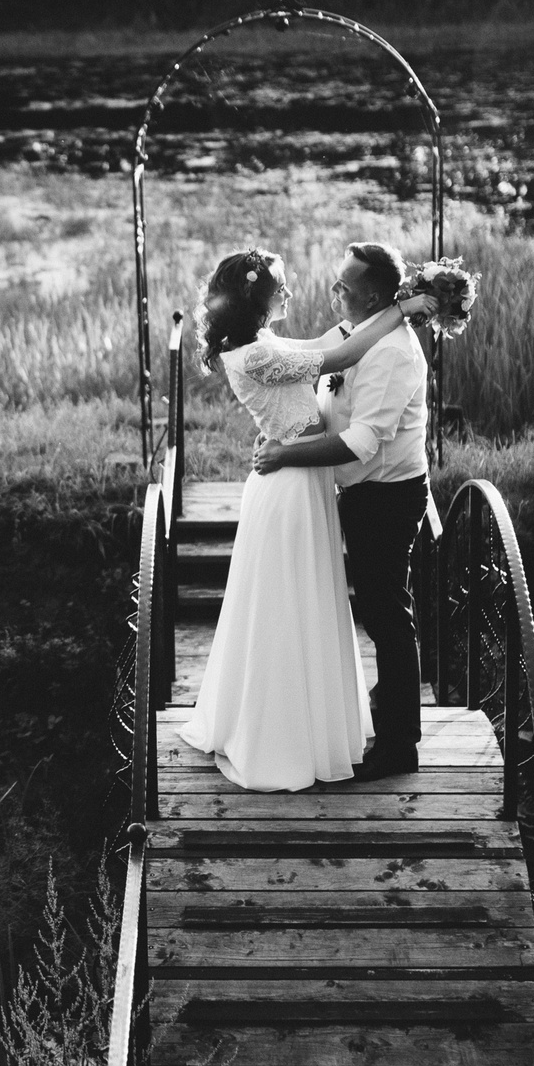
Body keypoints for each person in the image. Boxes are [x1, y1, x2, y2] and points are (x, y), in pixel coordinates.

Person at [178, 249, 434, 792]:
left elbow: (333, 351)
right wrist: (403, 308)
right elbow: (337, 357)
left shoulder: (264, 345)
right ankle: (284, 733)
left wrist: (402, 309)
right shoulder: (257, 355)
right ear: (257, 298)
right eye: (283, 288)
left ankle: (373, 734)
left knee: (333, 603)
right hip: (293, 488)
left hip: (327, 484)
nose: (297, 294)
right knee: (290, 603)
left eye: (343, 287)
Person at [254, 240, 432, 777]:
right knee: (378, 608)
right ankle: (382, 709)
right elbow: (315, 353)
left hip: (387, 496)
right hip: (359, 493)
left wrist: (287, 455)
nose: (334, 292)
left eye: (344, 286)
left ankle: (400, 744)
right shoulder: (358, 332)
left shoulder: (395, 353)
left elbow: (362, 442)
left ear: (373, 294)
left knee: (386, 614)